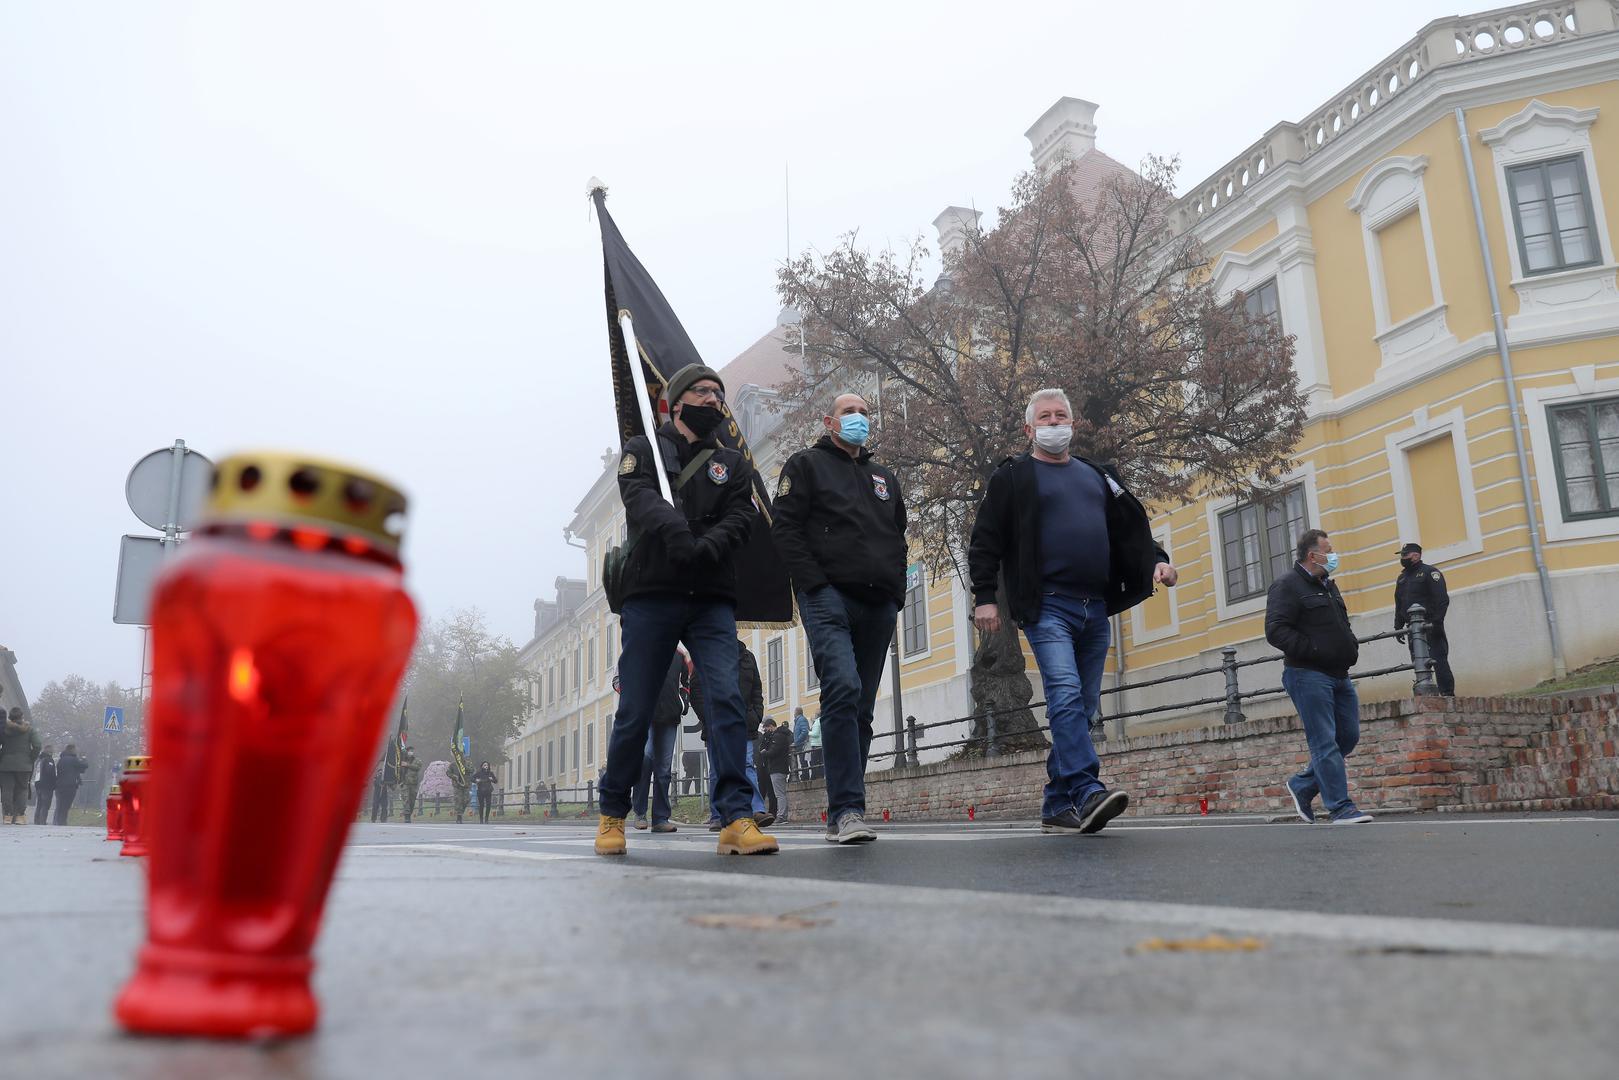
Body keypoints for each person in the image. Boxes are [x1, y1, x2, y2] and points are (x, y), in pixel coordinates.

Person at [968, 388, 1177, 835]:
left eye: (1061, 415)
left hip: (1096, 607)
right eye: (1044, 416)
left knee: (1081, 707)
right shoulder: (1013, 477)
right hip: (1048, 608)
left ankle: (1055, 803)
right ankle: (1087, 791)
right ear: (1029, 429)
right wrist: (984, 597)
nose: (1054, 422)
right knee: (1063, 694)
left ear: (1072, 423)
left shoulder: (1098, 476)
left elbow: (1132, 530)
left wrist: (1155, 560)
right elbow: (985, 540)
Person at [595, 363, 777, 857]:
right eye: (702, 391)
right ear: (676, 402)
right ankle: (613, 814)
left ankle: (736, 818)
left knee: (725, 702)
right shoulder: (644, 450)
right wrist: (678, 535)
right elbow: (639, 499)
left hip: (710, 596)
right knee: (635, 708)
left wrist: (709, 545)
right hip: (652, 594)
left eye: (719, 393)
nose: (713, 400)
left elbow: (743, 514)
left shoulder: (732, 462)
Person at [771, 390, 907, 844]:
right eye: (850, 412)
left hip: (878, 602)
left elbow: (898, 534)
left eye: (865, 412)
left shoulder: (883, 476)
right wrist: (813, 584)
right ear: (830, 421)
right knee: (842, 688)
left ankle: (843, 809)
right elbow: (784, 527)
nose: (859, 418)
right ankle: (847, 810)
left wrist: (895, 590)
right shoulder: (805, 465)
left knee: (862, 708)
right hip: (828, 597)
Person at [1266, 528, 1372, 825]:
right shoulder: (1286, 586)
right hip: (1307, 674)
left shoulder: (1328, 585)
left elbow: (1341, 623)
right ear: (1313, 555)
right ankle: (1340, 807)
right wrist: (1314, 649)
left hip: (1339, 674)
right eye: (1329, 549)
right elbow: (1276, 631)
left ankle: (1302, 785)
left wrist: (1349, 645)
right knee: (1324, 741)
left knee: (1347, 737)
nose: (1334, 554)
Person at [691, 640, 769, 830]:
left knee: (747, 764)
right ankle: (718, 814)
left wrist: (756, 715)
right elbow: (696, 691)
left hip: (744, 721)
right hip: (717, 721)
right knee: (717, 769)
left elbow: (756, 690)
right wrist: (709, 718)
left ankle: (756, 809)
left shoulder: (747, 657)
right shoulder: (706, 653)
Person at [632, 654, 686, 833]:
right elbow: (619, 678)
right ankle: (640, 813)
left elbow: (687, 681)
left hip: (670, 715)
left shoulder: (679, 655)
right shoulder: (641, 645)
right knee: (645, 758)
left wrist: (683, 704)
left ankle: (660, 818)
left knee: (664, 769)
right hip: (644, 714)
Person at [1393, 542, 1454, 696]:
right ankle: (1426, 695)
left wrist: (1436, 622)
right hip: (1412, 628)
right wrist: (1398, 626)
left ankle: (1447, 694)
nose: (1402, 558)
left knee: (1438, 660)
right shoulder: (1402, 578)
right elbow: (1399, 603)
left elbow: (1442, 600)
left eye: (1405, 555)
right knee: (1418, 662)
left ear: (1415, 555)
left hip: (1430, 625)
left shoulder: (1430, 572)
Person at [0, 707, 41, 824]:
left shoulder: (4, 730)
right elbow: (37, 745)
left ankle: (7, 816)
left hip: (5, 765)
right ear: (22, 717)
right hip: (24, 765)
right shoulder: (30, 730)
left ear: (9, 718)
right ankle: (19, 816)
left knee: (6, 790)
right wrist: (31, 758)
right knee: (22, 789)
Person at [764, 716, 793, 824]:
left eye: (766, 729)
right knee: (781, 793)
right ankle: (782, 815)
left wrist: (764, 753)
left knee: (779, 794)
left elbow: (773, 752)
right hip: (781, 767)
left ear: (771, 726)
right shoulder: (782, 735)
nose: (766, 731)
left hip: (777, 768)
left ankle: (781, 816)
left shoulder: (777, 736)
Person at [52, 741, 88, 825]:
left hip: (60, 784)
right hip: (70, 785)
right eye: (75, 749)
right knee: (66, 804)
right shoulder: (73, 759)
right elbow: (84, 765)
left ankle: (57, 821)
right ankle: (62, 821)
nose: (76, 751)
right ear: (71, 750)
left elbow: (76, 769)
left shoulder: (61, 760)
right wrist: (84, 758)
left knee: (60, 804)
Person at [397, 747, 423, 823]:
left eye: (412, 751)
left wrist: (407, 765)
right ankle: (407, 816)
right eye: (409, 751)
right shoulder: (402, 760)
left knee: (412, 800)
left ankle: (409, 813)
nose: (410, 752)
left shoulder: (417, 760)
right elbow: (398, 770)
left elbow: (418, 767)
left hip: (413, 783)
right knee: (406, 800)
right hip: (404, 783)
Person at [32, 745, 56, 826]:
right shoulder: (49, 759)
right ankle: (42, 821)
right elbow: (49, 772)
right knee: (45, 804)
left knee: (39, 803)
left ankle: (36, 820)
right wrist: (54, 781)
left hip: (38, 784)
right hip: (46, 785)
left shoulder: (39, 759)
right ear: (50, 751)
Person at [791, 705, 810, 780]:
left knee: (803, 761)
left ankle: (805, 775)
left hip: (802, 744)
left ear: (796, 712)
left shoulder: (801, 719)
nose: (793, 714)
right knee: (802, 761)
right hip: (800, 744)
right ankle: (804, 775)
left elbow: (805, 731)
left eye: (794, 712)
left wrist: (797, 741)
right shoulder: (798, 720)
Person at [808, 712, 823, 779]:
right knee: (820, 761)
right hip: (820, 743)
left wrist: (808, 732)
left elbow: (815, 734)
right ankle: (820, 775)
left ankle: (816, 776)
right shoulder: (822, 720)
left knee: (814, 762)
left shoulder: (817, 722)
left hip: (816, 744)